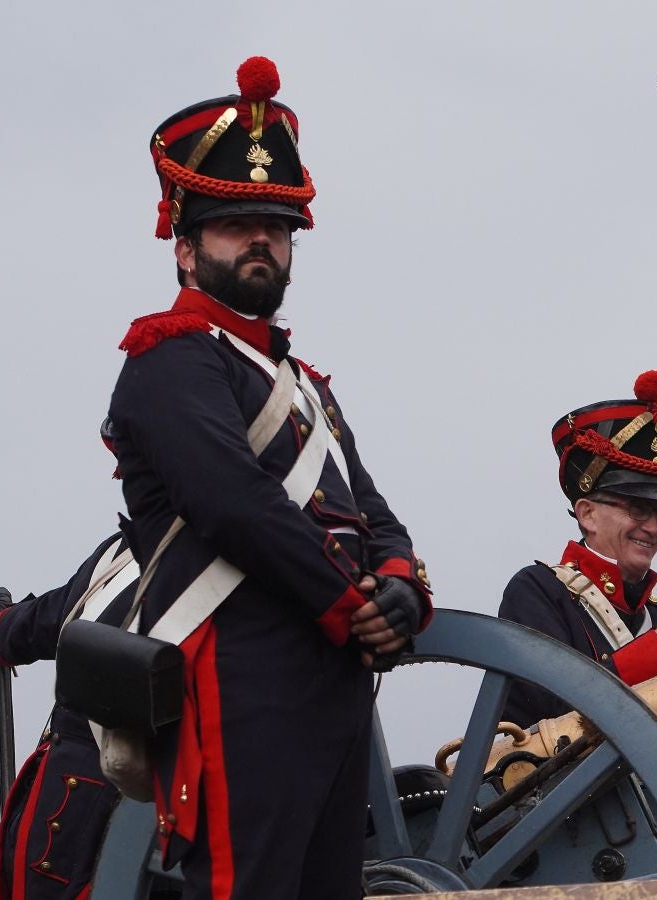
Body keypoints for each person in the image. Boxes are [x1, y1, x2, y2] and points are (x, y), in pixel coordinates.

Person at [105, 56, 432, 899]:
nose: (262, 239)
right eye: (235, 223)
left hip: (333, 686)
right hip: (240, 682)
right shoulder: (166, 359)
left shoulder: (309, 387)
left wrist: (399, 587)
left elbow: (375, 516)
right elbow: (233, 503)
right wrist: (351, 606)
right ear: (183, 245)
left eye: (278, 227)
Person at [498, 370, 657, 734]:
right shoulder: (538, 590)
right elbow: (564, 719)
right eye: (637, 510)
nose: (652, 528)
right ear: (588, 513)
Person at [0, 530, 138, 899]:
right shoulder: (123, 548)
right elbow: (60, 612)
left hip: (125, 803)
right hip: (64, 799)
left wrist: (0, 632)